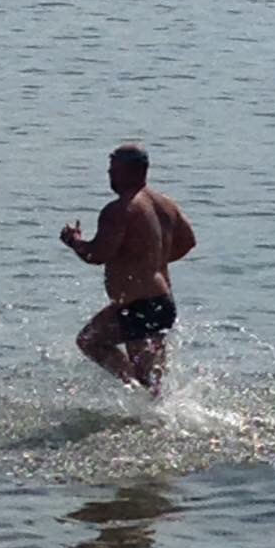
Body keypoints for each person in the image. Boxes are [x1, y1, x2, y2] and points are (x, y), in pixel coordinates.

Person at [60, 144, 196, 394]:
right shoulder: (165, 204)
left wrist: (74, 241)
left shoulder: (120, 209)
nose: (109, 175)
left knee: (91, 341)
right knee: (153, 381)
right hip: (162, 302)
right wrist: (151, 263)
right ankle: (150, 403)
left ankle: (133, 388)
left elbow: (97, 255)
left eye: (114, 170)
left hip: (139, 306)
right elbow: (188, 241)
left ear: (130, 171)